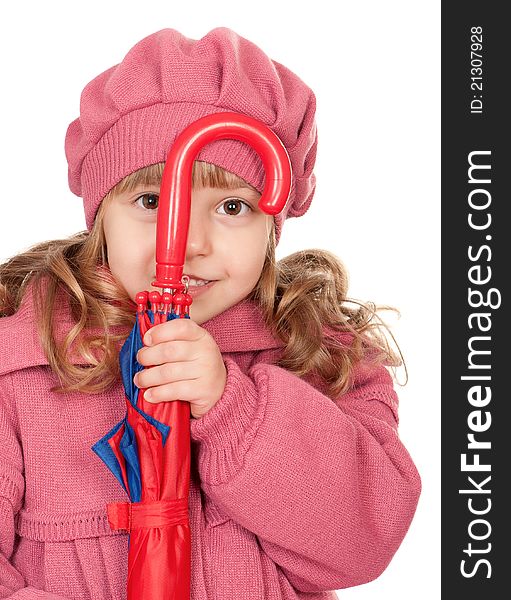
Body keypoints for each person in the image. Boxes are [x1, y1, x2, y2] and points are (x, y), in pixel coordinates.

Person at [0, 27, 421, 599]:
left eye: (231, 206)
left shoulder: (320, 354)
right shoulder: (20, 361)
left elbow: (364, 540)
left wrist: (233, 410)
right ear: (100, 215)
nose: (192, 241)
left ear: (273, 227)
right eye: (151, 201)